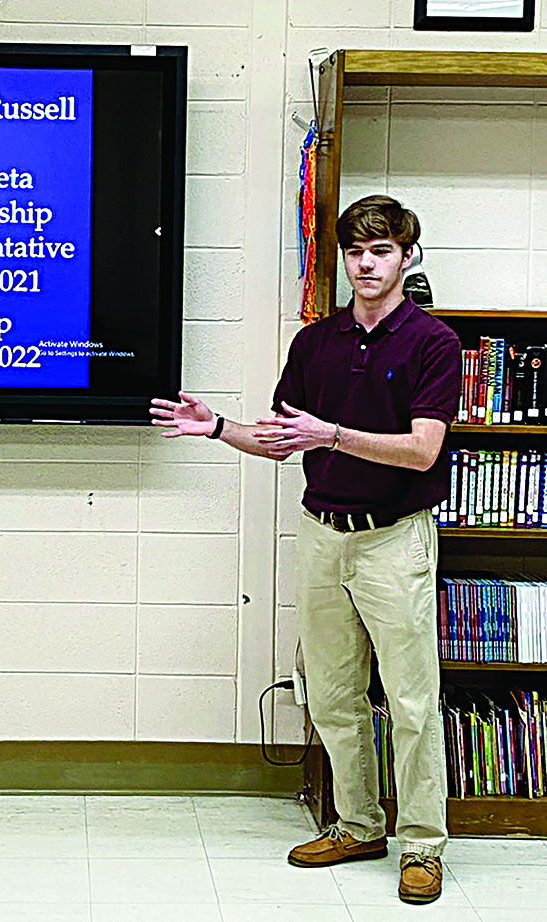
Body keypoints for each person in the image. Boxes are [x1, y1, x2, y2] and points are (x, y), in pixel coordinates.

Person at [151, 195, 461, 905]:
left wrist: (333, 436)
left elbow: (423, 450)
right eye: (355, 251)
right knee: (330, 693)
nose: (366, 264)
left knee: (412, 700)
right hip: (322, 534)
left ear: (407, 257)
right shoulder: (316, 343)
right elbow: (279, 440)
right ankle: (359, 825)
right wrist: (217, 426)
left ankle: (422, 845)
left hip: (394, 538)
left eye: (381, 251)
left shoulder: (433, 342)